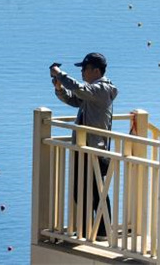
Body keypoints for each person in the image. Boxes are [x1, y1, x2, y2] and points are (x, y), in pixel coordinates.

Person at [51, 53, 118, 241]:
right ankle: (91, 230)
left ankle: (102, 232)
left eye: (84, 69)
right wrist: (60, 89)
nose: (81, 72)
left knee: (96, 193)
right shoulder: (92, 91)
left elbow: (79, 89)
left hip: (94, 148)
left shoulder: (102, 89)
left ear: (96, 70)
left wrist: (60, 74)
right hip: (85, 147)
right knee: (84, 191)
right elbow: (75, 100)